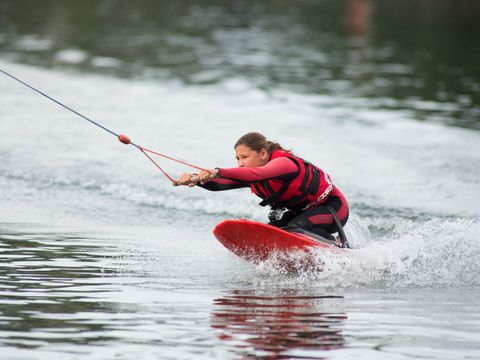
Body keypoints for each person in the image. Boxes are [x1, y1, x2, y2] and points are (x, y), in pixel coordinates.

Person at [175, 132, 349, 245]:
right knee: (272, 234)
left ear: (263, 153)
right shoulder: (250, 173)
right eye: (237, 158)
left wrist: (217, 171)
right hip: (303, 213)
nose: (240, 163)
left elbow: (257, 174)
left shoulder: (284, 163)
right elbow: (219, 185)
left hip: (333, 209)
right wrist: (195, 179)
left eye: (244, 157)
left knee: (296, 229)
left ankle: (336, 246)